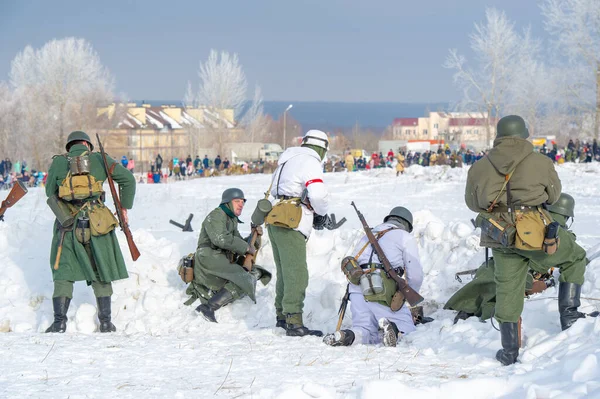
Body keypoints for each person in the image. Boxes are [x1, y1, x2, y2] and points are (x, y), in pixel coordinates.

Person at [465, 115, 588, 366]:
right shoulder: (540, 162)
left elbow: (472, 203)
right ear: (524, 133)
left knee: (508, 287)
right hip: (534, 231)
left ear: (499, 135)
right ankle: (570, 317)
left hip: (499, 234)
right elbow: (553, 196)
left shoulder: (479, 166)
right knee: (575, 257)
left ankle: (509, 352)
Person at [44, 131, 136, 333]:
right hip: (97, 221)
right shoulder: (99, 159)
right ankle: (105, 323)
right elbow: (128, 179)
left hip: (67, 223)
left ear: (70, 146)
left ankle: (59, 323)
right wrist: (123, 207)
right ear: (87, 144)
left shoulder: (59, 162)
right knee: (101, 268)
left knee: (63, 270)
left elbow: (49, 192)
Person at [445, 193, 580, 323]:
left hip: (496, 265)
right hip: (521, 274)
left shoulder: (531, 223)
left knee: (488, 288)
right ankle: (484, 313)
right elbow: (577, 260)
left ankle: (469, 309)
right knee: (501, 296)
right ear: (567, 216)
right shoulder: (562, 237)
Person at [323, 207, 423, 347]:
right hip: (381, 289)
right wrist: (407, 295)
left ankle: (345, 336)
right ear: (407, 225)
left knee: (364, 329)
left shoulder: (367, 236)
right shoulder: (404, 236)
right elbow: (415, 275)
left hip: (357, 289)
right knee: (407, 328)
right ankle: (394, 330)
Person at [267, 130, 333, 337]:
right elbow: (318, 194)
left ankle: (282, 317)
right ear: (322, 149)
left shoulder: (286, 162)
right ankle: (294, 322)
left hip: (274, 217)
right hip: (292, 220)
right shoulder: (310, 162)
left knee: (284, 273)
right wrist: (321, 214)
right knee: (297, 273)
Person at [187, 188, 270, 322]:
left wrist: (254, 236)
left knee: (252, 273)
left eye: (243, 202)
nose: (241, 205)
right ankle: (208, 307)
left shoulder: (231, 220)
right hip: (209, 257)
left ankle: (214, 300)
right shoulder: (217, 215)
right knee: (244, 278)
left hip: (219, 259)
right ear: (227, 203)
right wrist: (246, 247)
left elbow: (239, 244)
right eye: (237, 201)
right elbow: (220, 238)